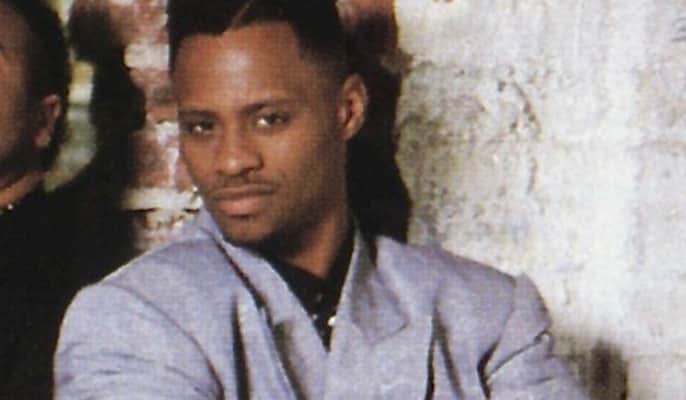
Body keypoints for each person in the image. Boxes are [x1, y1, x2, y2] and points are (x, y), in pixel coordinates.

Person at [55, 0, 588, 398]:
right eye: (201, 126)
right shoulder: (133, 318)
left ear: (348, 110)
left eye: (269, 119)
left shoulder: (488, 313)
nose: (232, 159)